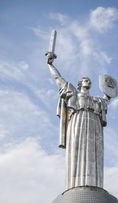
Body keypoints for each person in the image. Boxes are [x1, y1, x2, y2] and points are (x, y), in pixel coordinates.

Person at [46, 52, 110, 189]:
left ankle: (94, 185)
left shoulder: (96, 100)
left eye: (89, 81)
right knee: (77, 150)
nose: (88, 81)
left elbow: (107, 100)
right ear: (80, 83)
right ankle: (75, 185)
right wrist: (50, 64)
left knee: (95, 153)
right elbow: (58, 78)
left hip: (95, 124)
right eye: (85, 80)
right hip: (78, 120)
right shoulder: (73, 92)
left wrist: (108, 94)